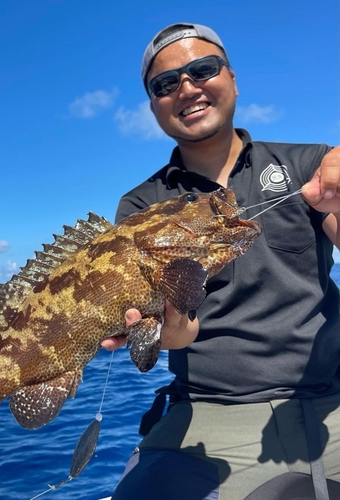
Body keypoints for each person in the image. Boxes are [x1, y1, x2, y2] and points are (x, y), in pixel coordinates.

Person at [100, 23, 340, 500]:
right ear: (153, 104)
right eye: (165, 84)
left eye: (201, 70)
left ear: (230, 77)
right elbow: (178, 330)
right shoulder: (139, 207)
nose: (186, 88)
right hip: (210, 416)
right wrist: (160, 327)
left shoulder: (310, 164)